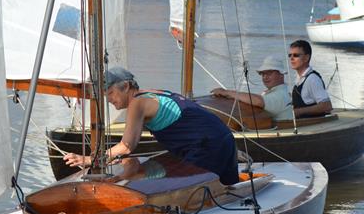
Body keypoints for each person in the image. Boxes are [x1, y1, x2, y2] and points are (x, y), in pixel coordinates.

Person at [63, 67, 240, 185]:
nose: (108, 99)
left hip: (207, 147)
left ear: (125, 86)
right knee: (228, 190)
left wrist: (90, 160)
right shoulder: (154, 93)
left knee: (191, 193)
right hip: (221, 140)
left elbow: (126, 147)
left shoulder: (137, 103)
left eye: (110, 93)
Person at [210, 55, 293, 120]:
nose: (265, 77)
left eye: (269, 73)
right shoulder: (274, 92)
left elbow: (258, 101)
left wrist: (226, 92)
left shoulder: (281, 94)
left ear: (281, 75)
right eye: (263, 74)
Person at [288, 39, 332, 117]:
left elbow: (327, 106)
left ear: (306, 58)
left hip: (314, 126)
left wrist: (298, 111)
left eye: (296, 55)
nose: (291, 58)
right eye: (290, 55)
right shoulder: (299, 78)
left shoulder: (313, 79)